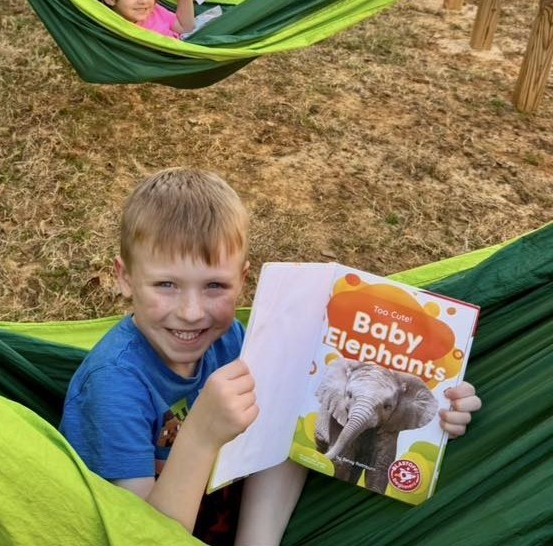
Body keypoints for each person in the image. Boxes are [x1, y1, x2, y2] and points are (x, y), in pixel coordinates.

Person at [60, 168, 482, 545]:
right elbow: (142, 539)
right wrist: (201, 433)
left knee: (293, 388)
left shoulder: (232, 342)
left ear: (244, 281)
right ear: (125, 279)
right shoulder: (114, 384)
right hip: (156, 528)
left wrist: (439, 404)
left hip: (236, 523)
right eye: (166, 284)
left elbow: (304, 424)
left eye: (215, 287)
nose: (191, 312)